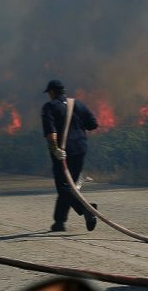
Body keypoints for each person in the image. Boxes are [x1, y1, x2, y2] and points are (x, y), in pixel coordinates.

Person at [41, 79, 99, 232]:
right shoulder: (78, 104)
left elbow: (51, 133)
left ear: (52, 92)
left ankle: (87, 209)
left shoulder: (49, 107)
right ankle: (59, 222)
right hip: (80, 149)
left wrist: (55, 149)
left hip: (63, 153)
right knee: (69, 187)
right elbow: (93, 124)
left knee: (63, 187)